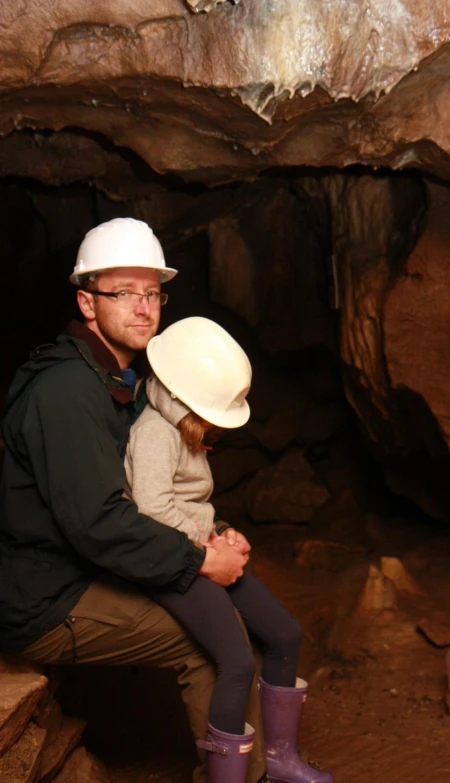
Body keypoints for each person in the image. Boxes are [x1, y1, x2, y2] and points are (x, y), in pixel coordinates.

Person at [0, 217, 266, 783]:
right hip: (45, 594)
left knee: (222, 613)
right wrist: (199, 559)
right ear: (87, 303)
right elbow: (100, 523)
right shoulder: (68, 391)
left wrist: (210, 528)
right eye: (123, 293)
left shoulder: (107, 380)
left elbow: (147, 491)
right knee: (209, 640)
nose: (143, 307)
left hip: (69, 569)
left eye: (151, 293)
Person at [125, 315, 334, 783]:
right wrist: (208, 545)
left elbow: (191, 501)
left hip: (200, 549)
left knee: (284, 634)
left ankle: (280, 761)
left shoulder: (182, 426)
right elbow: (151, 509)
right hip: (171, 562)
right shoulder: (155, 432)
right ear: (180, 393)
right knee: (236, 660)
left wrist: (223, 529)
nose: (214, 428)